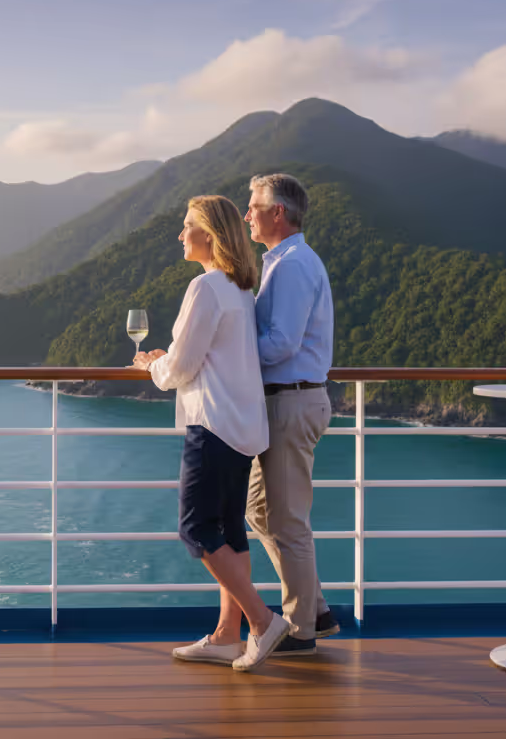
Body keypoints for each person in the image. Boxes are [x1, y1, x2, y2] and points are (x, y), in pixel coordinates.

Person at [131, 195, 287, 672]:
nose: (181, 235)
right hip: (242, 427)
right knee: (229, 527)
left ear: (210, 236)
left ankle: (261, 621)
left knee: (196, 528)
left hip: (213, 426)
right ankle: (225, 635)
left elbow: (182, 366)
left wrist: (153, 364)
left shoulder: (205, 288)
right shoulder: (239, 289)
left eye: (187, 227)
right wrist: (170, 360)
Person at [225, 172, 337, 657]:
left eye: (253, 206)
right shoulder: (284, 263)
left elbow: (281, 344)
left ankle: (301, 629)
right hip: (282, 401)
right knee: (259, 510)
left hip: (290, 400)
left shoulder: (291, 266)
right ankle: (315, 608)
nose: (246, 214)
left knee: (288, 521)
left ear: (278, 213)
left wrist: (225, 347)